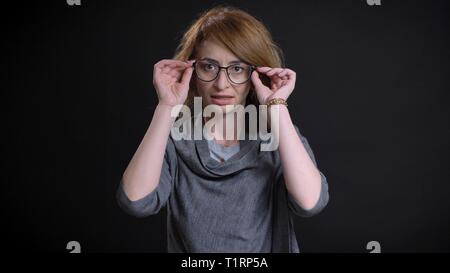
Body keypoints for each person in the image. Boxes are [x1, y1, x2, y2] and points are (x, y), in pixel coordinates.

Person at [116, 5, 329, 253]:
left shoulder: (277, 138)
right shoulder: (175, 139)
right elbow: (135, 201)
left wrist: (277, 106)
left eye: (237, 69)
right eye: (209, 66)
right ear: (193, 72)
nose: (221, 84)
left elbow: (310, 203)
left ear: (255, 75)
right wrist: (167, 106)